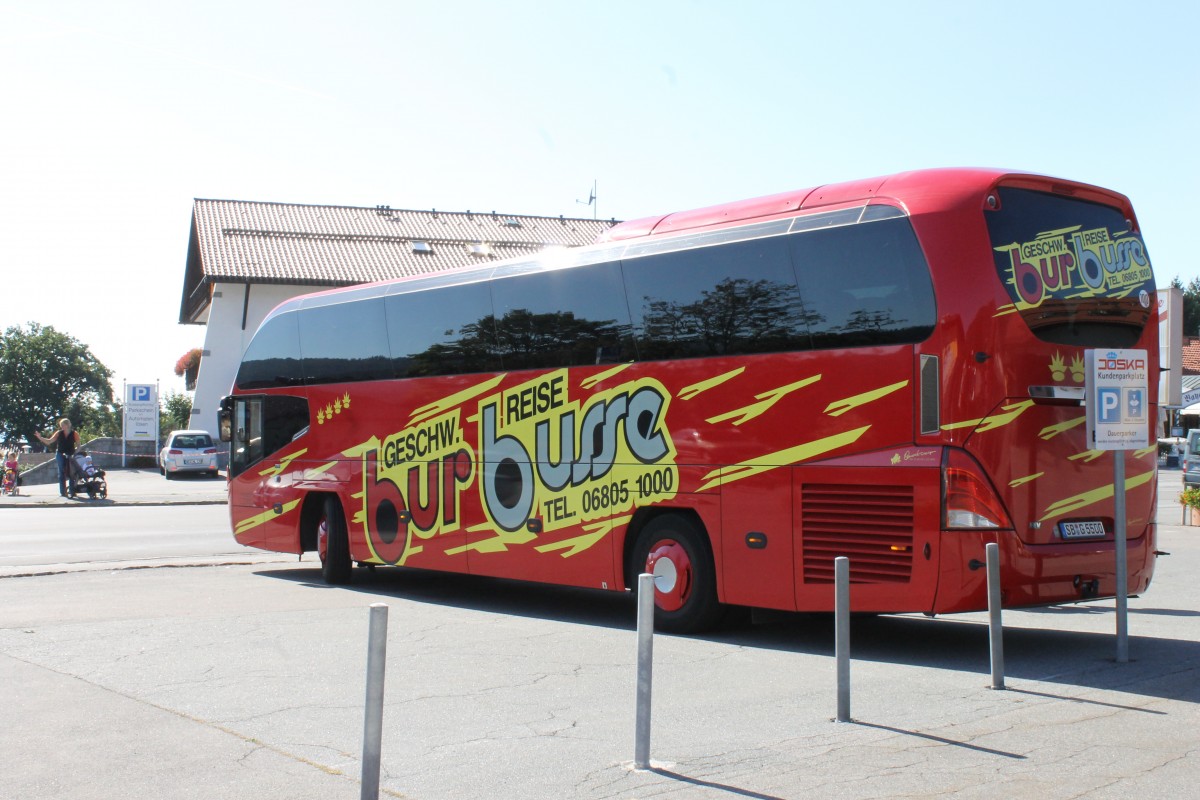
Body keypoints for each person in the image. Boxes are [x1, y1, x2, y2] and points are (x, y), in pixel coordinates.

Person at [35, 418, 81, 497]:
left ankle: (72, 491)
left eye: (63, 425)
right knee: (61, 472)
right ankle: (63, 492)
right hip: (60, 453)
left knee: (71, 472)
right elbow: (49, 441)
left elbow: (79, 445)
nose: (62, 427)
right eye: (61, 425)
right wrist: (40, 437)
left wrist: (75, 453)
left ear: (68, 425)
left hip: (70, 453)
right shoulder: (59, 433)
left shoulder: (74, 433)